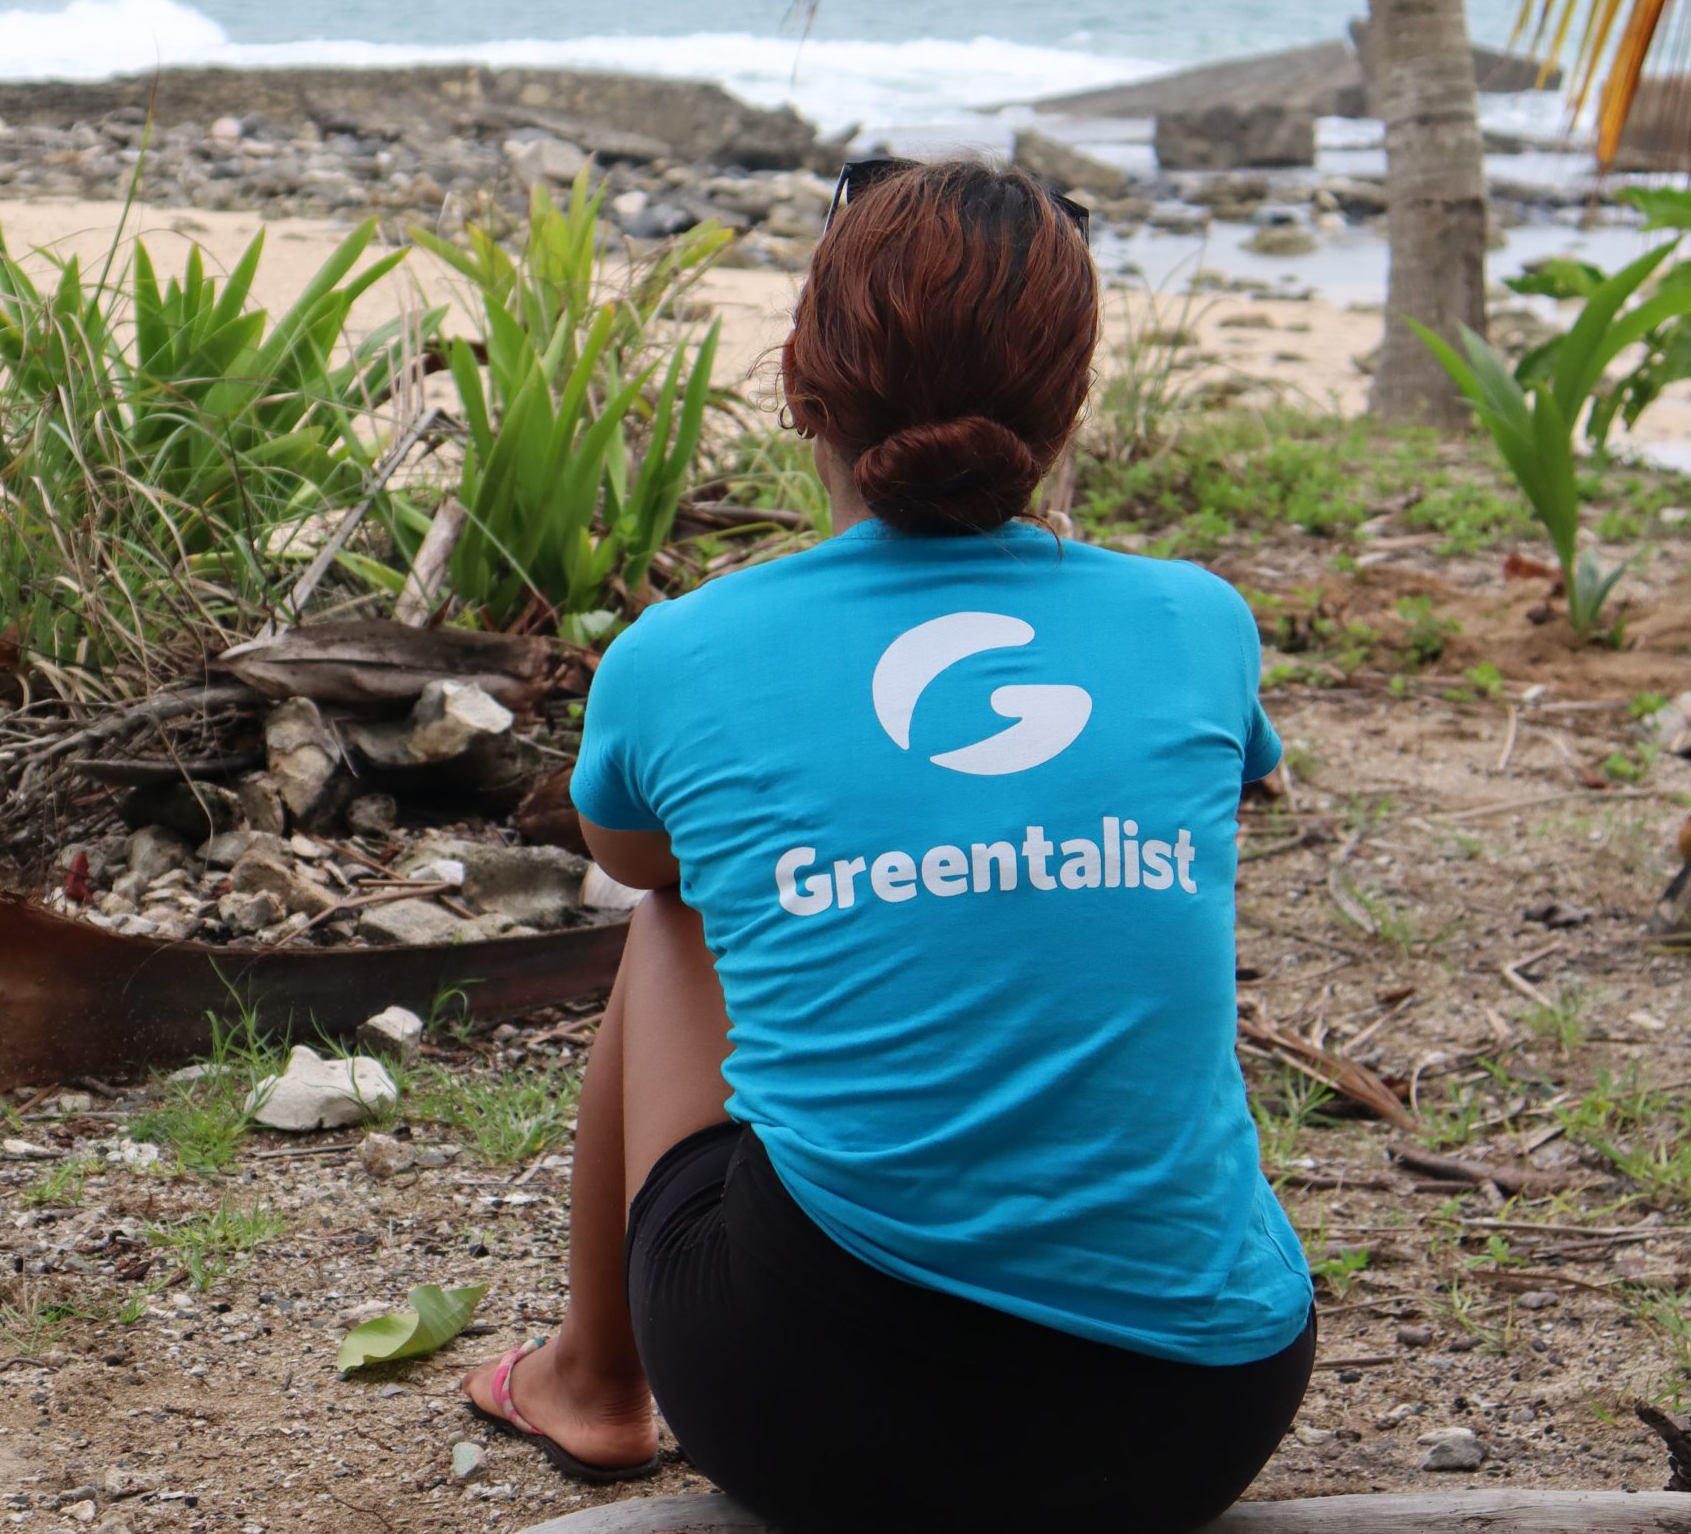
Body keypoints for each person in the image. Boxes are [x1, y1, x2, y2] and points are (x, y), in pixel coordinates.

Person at [461, 160, 1316, 1534]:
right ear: (1070, 398)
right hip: (1195, 1418)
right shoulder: (1196, 621)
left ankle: (593, 1381)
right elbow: (1235, 789)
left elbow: (631, 853)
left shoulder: (682, 653)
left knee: (679, 906)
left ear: (803, 385)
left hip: (824, 1411)